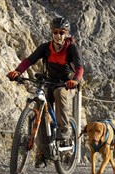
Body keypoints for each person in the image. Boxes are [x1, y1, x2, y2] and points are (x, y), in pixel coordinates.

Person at [7, 17, 84, 164]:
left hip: (67, 85)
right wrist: (17, 71)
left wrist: (74, 80)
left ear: (66, 34)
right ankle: (42, 151)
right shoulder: (45, 47)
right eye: (55, 32)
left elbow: (80, 68)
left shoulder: (72, 48)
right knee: (39, 110)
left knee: (59, 93)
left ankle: (65, 129)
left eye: (62, 32)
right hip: (49, 82)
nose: (58, 35)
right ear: (52, 33)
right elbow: (29, 60)